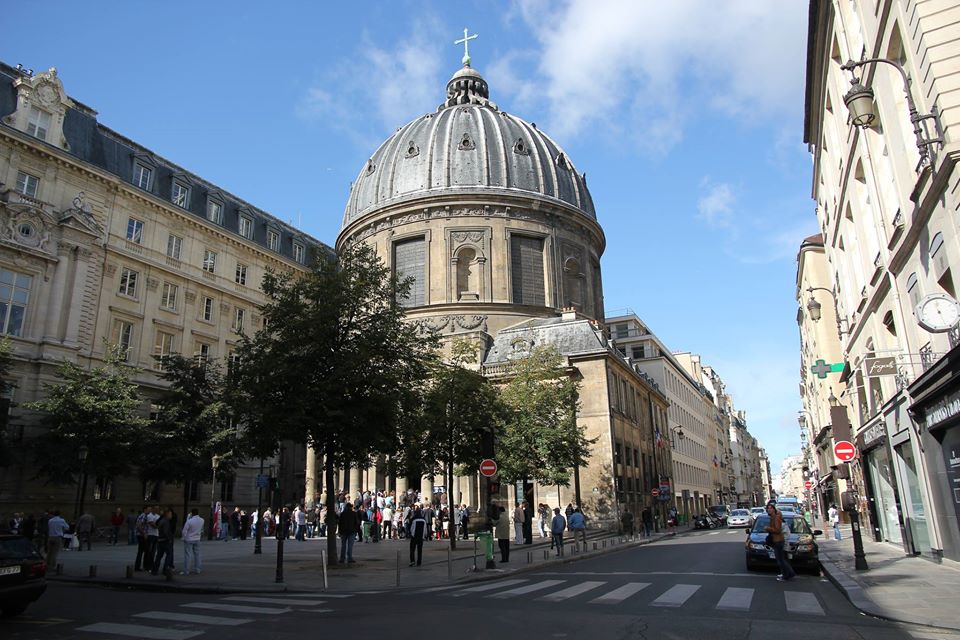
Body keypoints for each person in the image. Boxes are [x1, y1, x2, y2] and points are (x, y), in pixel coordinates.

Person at [764, 501, 795, 582]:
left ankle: (788, 574)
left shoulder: (776, 518)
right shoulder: (773, 518)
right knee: (781, 559)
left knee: (781, 560)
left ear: (774, 509)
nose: (769, 510)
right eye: (768, 508)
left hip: (778, 540)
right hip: (776, 540)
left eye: (771, 508)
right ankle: (787, 573)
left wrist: (768, 528)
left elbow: (777, 530)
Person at [152, 509, 175, 576]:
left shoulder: (162, 520)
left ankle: (155, 570)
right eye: (170, 514)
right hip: (165, 541)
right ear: (167, 514)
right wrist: (169, 539)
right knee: (169, 555)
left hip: (160, 540)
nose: (171, 516)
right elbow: (166, 531)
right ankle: (165, 569)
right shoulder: (166, 521)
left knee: (159, 556)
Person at [180, 508, 204, 575]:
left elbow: (184, 531)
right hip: (197, 538)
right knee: (197, 555)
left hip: (189, 539)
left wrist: (183, 537)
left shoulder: (189, 521)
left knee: (188, 555)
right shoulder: (202, 520)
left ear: (192, 513)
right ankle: (198, 569)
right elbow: (201, 529)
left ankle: (186, 570)